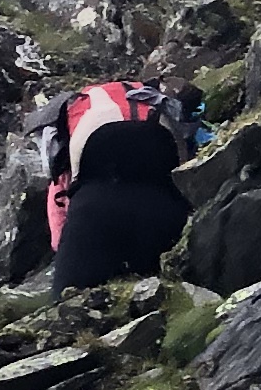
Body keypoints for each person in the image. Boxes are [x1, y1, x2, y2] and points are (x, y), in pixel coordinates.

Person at [45, 79, 195, 294]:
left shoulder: (73, 113)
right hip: (165, 203)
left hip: (93, 207)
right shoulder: (155, 105)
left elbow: (58, 194)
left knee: (68, 310)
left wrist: (65, 251)